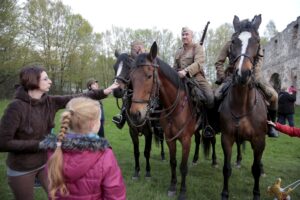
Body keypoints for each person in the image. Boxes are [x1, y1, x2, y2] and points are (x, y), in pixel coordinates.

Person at [0, 65, 119, 200]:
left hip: (46, 163)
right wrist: (41, 144)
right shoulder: (15, 107)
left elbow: (78, 96)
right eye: (46, 79)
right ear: (33, 81)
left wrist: (104, 91)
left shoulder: (49, 101)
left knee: (58, 196)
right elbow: (3, 143)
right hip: (22, 168)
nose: (50, 81)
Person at [39, 97, 126, 199]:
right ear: (93, 124)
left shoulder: (53, 151)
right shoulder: (104, 155)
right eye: (99, 119)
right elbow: (115, 195)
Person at [214, 24, 278, 137]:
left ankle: (271, 126)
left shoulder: (255, 42)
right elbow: (219, 61)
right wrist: (223, 77)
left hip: (253, 75)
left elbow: (259, 60)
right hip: (231, 77)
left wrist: (256, 76)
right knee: (216, 96)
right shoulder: (230, 44)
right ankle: (215, 124)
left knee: (274, 96)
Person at [173, 27, 215, 137]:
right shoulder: (178, 51)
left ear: (192, 36)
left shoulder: (197, 47)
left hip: (196, 78)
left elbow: (199, 63)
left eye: (186, 34)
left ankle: (207, 124)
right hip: (180, 79)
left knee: (210, 98)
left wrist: (186, 71)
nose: (184, 37)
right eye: (183, 35)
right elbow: (174, 67)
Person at [112, 40, 145, 129]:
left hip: (144, 86)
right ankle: (122, 117)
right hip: (131, 86)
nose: (136, 49)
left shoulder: (146, 56)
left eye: (138, 47)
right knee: (126, 98)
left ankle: (157, 123)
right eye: (134, 47)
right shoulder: (128, 58)